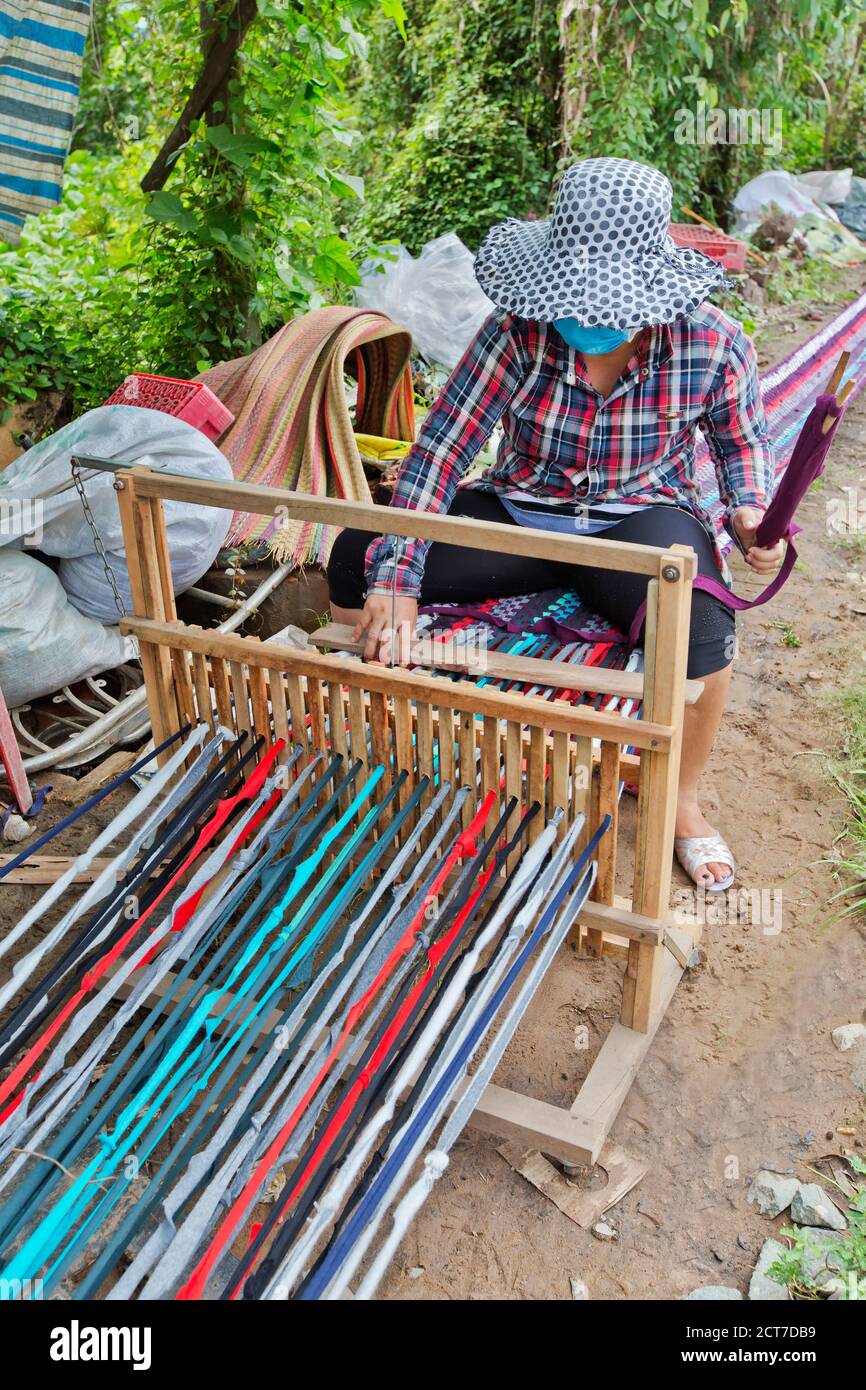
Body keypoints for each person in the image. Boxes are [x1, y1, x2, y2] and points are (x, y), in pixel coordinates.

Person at [328, 157, 783, 892]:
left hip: (640, 517)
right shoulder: (518, 332)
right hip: (521, 508)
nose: (587, 320)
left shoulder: (712, 341)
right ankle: (381, 721)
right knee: (356, 554)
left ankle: (681, 802)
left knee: (703, 636)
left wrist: (750, 512)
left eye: (608, 304)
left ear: (652, 288)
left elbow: (741, 443)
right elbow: (443, 447)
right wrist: (398, 576)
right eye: (576, 299)